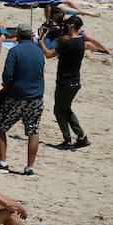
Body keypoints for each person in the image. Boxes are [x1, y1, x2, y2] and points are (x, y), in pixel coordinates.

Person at [0, 22, 45, 176]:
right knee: (33, 131)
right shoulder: (38, 52)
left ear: (18, 36)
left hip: (17, 97)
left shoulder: (15, 52)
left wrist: (7, 86)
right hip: (36, 98)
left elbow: (7, 76)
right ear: (31, 36)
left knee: (0, 127)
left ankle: (3, 163)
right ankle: (29, 167)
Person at [40, 15, 90, 150]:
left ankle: (67, 140)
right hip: (74, 81)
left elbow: (49, 54)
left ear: (72, 26)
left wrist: (41, 42)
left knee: (59, 111)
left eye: (68, 24)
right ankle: (81, 137)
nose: (65, 26)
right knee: (66, 109)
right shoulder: (80, 42)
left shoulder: (67, 42)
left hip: (65, 82)